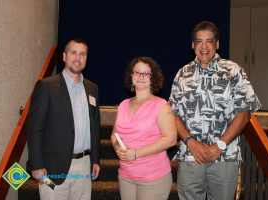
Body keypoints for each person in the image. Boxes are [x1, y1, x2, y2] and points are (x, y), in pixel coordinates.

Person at [169, 21, 261, 200]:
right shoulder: (182, 74)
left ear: (217, 44)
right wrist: (191, 142)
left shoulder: (233, 71)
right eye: (199, 41)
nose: (204, 47)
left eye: (209, 41)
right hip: (190, 156)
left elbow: (244, 113)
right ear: (192, 45)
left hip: (225, 158)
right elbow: (173, 114)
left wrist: (220, 145)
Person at [27, 39, 100, 200]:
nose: (78, 58)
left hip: (84, 166)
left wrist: (95, 159)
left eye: (83, 54)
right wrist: (37, 165)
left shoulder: (92, 88)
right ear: (64, 56)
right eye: (73, 53)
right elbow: (35, 129)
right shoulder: (46, 86)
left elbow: (94, 127)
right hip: (53, 167)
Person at [111, 56, 177, 200]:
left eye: (146, 73)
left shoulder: (161, 106)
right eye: (137, 72)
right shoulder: (123, 105)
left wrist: (136, 154)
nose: (141, 77)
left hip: (153, 178)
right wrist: (117, 148)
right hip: (125, 176)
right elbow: (115, 134)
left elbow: (171, 139)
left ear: (153, 78)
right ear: (131, 76)